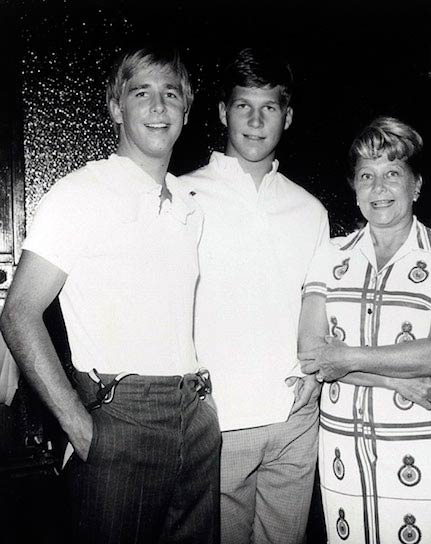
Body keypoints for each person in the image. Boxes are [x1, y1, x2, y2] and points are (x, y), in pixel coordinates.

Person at [0, 46, 221, 543]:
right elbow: (18, 314)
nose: (159, 107)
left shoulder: (189, 205)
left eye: (171, 95)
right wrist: (81, 428)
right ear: (116, 106)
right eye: (142, 93)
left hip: (196, 414)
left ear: (186, 109)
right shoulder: (81, 193)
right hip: (121, 417)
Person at [181, 48, 329, 544]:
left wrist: (315, 372)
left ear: (287, 117)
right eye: (244, 106)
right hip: (219, 423)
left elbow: (320, 306)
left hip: (295, 418)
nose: (255, 120)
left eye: (269, 108)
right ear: (223, 112)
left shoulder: (309, 210)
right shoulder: (183, 196)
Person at [299, 116, 431, 544]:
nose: (379, 188)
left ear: (417, 184)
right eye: (366, 176)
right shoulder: (329, 255)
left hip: (423, 446)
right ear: (353, 188)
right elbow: (311, 353)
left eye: (392, 173)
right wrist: (392, 378)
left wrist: (346, 359)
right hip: (343, 450)